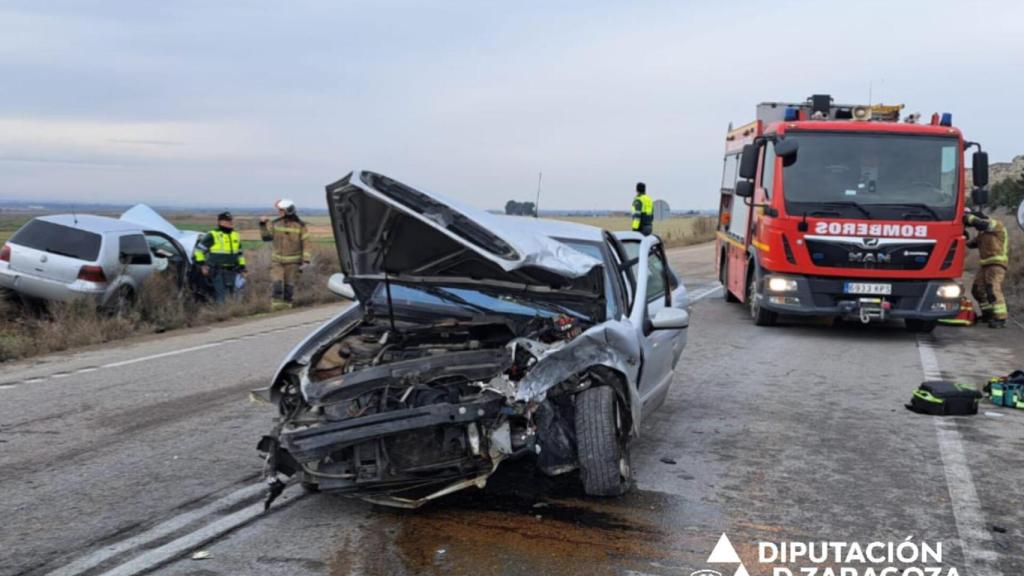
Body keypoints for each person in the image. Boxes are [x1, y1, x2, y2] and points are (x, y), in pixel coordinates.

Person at [260, 199, 311, 310]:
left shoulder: (301, 226)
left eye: (281, 210)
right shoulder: (275, 223)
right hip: (277, 262)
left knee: (289, 287)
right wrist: (263, 225)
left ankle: (287, 308)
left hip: (293, 263)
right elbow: (266, 238)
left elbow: (306, 243)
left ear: (288, 211)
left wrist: (306, 260)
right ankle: (276, 309)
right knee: (277, 284)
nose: (279, 213)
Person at [964, 208, 1009, 328]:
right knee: (977, 290)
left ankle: (1000, 318)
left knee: (992, 289)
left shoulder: (996, 225)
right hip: (985, 265)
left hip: (997, 264)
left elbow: (982, 224)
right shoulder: (982, 234)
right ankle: (988, 314)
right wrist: (963, 237)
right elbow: (971, 244)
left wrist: (969, 217)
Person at [193, 211, 246, 302]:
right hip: (217, 271)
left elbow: (240, 254)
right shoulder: (213, 235)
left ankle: (233, 309)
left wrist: (242, 267)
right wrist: (202, 265)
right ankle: (222, 310)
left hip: (233, 271)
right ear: (220, 222)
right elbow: (198, 251)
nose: (230, 222)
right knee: (222, 296)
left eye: (231, 220)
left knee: (234, 294)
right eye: (227, 220)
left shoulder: (235, 235)